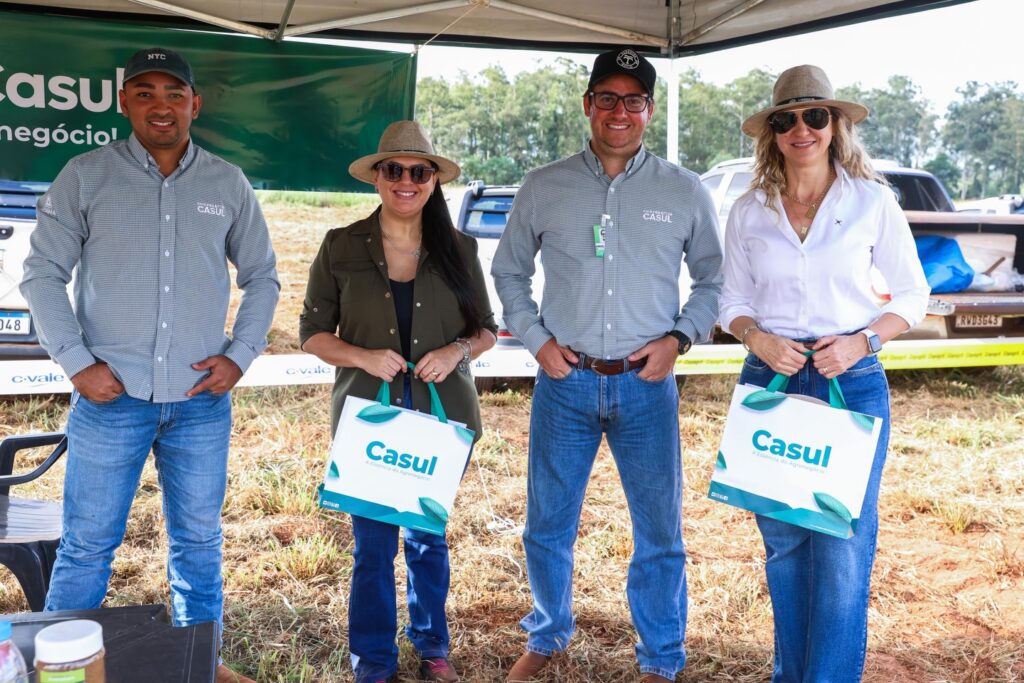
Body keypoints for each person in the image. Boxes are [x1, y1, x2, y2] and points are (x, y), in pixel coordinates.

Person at [20, 48, 279, 683]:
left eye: (173, 93)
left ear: (195, 103)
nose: (160, 105)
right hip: (113, 400)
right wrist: (78, 364)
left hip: (199, 402)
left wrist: (239, 356)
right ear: (124, 102)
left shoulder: (227, 183)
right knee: (87, 548)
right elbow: (43, 274)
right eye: (144, 92)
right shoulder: (84, 175)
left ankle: (201, 666)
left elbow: (264, 278)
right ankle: (65, 670)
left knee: (198, 545)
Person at [492, 49, 723, 682]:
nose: (619, 112)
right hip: (565, 382)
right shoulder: (545, 185)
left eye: (633, 101)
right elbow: (508, 270)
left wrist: (680, 338)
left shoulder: (683, 189)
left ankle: (660, 658)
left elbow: (713, 280)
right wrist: (537, 340)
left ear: (650, 110)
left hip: (647, 386)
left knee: (659, 534)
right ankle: (547, 634)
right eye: (607, 98)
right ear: (588, 105)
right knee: (546, 525)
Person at [719, 64, 929, 681]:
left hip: (850, 383)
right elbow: (731, 303)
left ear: (835, 126)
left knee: (840, 550)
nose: (802, 129)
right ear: (772, 133)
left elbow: (912, 297)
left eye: (816, 116)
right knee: (785, 548)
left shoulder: (872, 201)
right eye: (787, 120)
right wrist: (757, 336)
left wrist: (863, 342)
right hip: (770, 381)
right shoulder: (748, 209)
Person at [299, 120, 497, 683]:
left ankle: (433, 647)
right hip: (370, 420)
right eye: (394, 170)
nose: (405, 181)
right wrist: (362, 356)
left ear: (433, 180)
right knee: (372, 548)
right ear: (377, 177)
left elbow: (486, 330)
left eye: (418, 171)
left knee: (428, 541)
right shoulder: (341, 245)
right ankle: (374, 661)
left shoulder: (460, 248)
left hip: (440, 419)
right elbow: (311, 332)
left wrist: (456, 350)